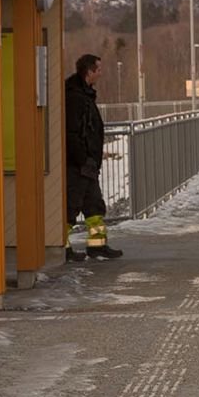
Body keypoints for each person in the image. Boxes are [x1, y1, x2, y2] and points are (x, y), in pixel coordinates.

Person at [65, 53, 122, 260]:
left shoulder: (83, 94)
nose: (101, 73)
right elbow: (71, 133)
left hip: (87, 164)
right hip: (78, 165)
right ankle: (61, 249)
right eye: (98, 69)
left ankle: (97, 246)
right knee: (70, 208)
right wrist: (83, 159)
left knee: (94, 206)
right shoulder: (75, 97)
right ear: (89, 72)